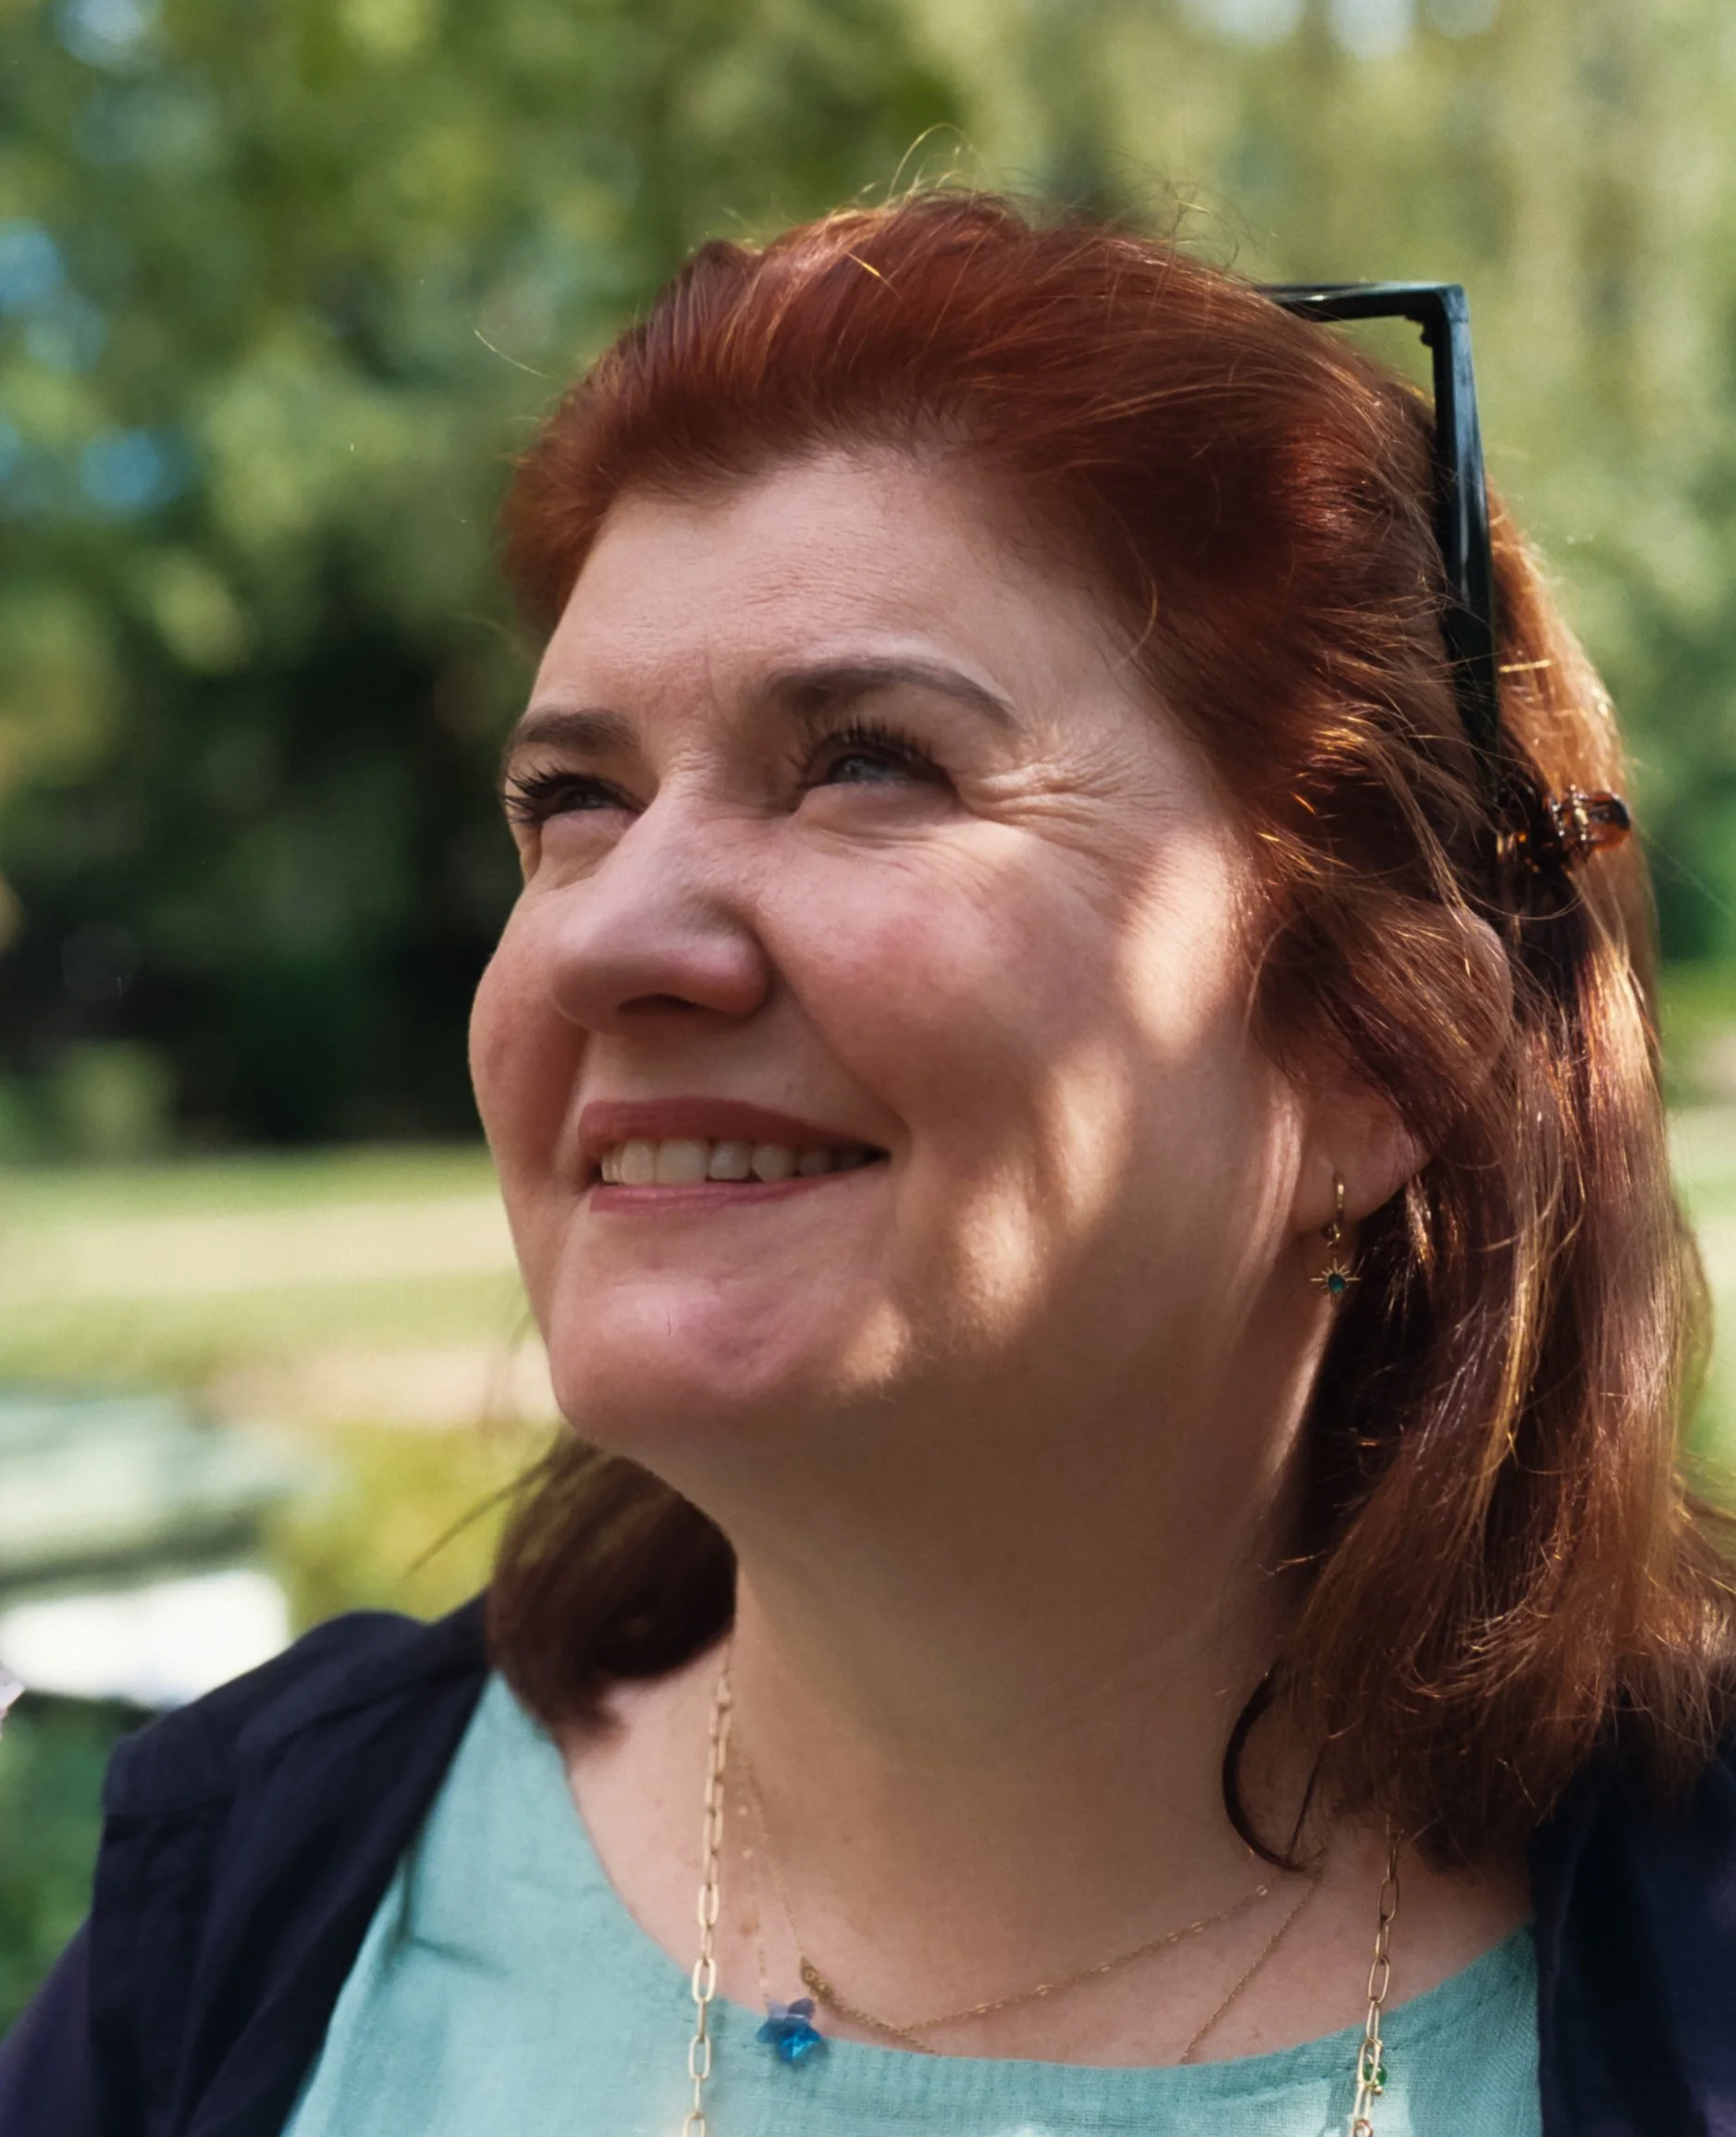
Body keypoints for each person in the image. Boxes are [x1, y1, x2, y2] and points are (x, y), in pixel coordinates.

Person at [4, 194, 1734, 2137]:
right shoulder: (255, 1903)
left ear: (1374, 1046)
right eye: (573, 800)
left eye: (866, 762)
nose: (603, 934)